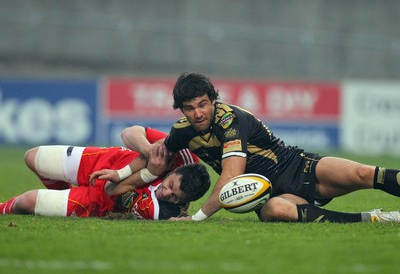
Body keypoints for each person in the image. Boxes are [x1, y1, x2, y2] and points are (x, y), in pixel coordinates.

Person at [121, 72, 400, 223]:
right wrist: (133, 164)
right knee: (275, 212)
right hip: (264, 194)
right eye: (189, 108)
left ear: (213, 100)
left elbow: (230, 175)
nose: (198, 113)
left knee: (365, 174)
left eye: (203, 104)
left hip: (296, 167)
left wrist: (196, 218)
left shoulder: (230, 120)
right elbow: (130, 132)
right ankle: (373, 218)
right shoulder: (181, 132)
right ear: (181, 109)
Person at [0, 127, 211, 220]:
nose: (166, 194)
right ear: (176, 170)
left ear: (184, 203)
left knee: (25, 202)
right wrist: (149, 152)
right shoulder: (181, 152)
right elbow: (129, 132)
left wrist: (149, 173)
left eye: (175, 198)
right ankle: (67, 194)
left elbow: (112, 190)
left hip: (100, 199)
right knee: (32, 157)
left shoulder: (164, 211)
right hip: (105, 160)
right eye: (171, 186)